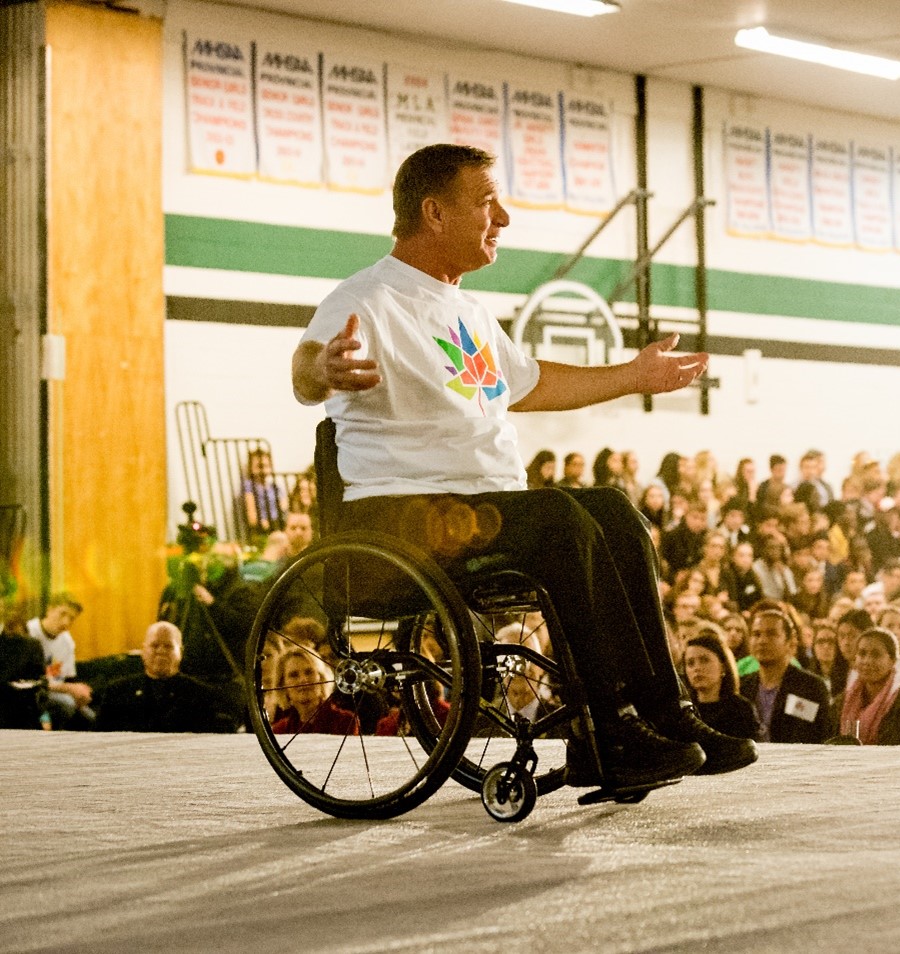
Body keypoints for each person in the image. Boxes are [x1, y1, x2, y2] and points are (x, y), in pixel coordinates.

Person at [290, 143, 754, 788]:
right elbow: (307, 368)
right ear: (434, 213)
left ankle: (664, 711)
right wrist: (323, 370)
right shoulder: (368, 297)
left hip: (479, 509)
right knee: (560, 519)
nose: (502, 218)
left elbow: (527, 385)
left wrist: (633, 376)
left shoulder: (469, 309)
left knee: (615, 511)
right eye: (486, 202)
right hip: (401, 514)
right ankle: (606, 730)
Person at [95, 622, 237, 733]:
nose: (161, 651)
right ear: (143, 651)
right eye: (155, 645)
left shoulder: (201, 695)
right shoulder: (117, 693)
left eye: (168, 646)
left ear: (180, 652)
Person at [739, 606, 834, 743]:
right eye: (756, 634)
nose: (762, 641)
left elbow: (814, 736)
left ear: (790, 641)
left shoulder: (810, 687)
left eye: (771, 634)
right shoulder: (743, 687)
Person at [831, 627, 900, 745]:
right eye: (862, 654)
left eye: (876, 655)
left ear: (892, 661)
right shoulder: (842, 702)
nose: (867, 661)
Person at [25, 592, 95, 729]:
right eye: (62, 614)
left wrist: (79, 694)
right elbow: (32, 682)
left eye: (71, 618)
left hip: (55, 692)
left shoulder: (67, 642)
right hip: (31, 695)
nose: (66, 622)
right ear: (49, 610)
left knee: (92, 718)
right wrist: (71, 689)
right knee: (67, 703)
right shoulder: (28, 632)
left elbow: (66, 679)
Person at [682, 629, 760, 741]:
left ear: (723, 667)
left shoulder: (741, 710)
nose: (697, 668)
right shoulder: (684, 711)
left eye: (704, 660)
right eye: (690, 663)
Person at [269, 647, 358, 735]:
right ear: (282, 685)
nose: (303, 680)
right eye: (294, 675)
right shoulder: (279, 731)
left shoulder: (346, 722)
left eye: (309, 672)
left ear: (321, 678)